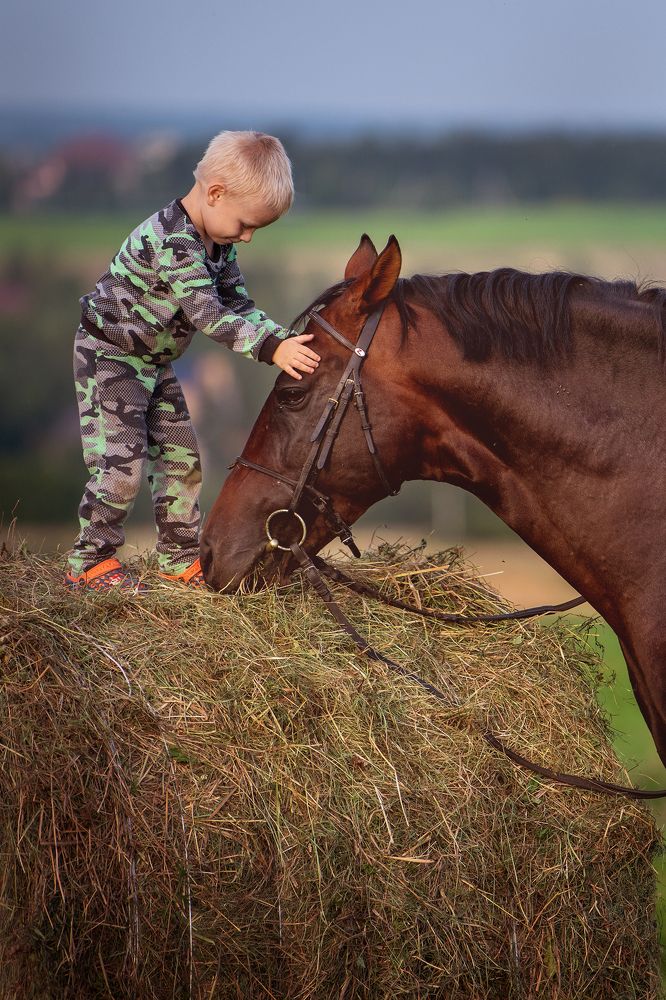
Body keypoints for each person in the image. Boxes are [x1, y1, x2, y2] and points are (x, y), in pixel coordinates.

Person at [65, 130, 319, 592]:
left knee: (182, 460)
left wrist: (284, 338)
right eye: (245, 225)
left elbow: (237, 305)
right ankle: (89, 562)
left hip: (153, 362)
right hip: (110, 357)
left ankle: (179, 558)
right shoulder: (173, 241)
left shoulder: (219, 244)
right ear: (215, 193)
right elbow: (209, 315)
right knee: (121, 468)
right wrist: (270, 349)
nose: (248, 237)